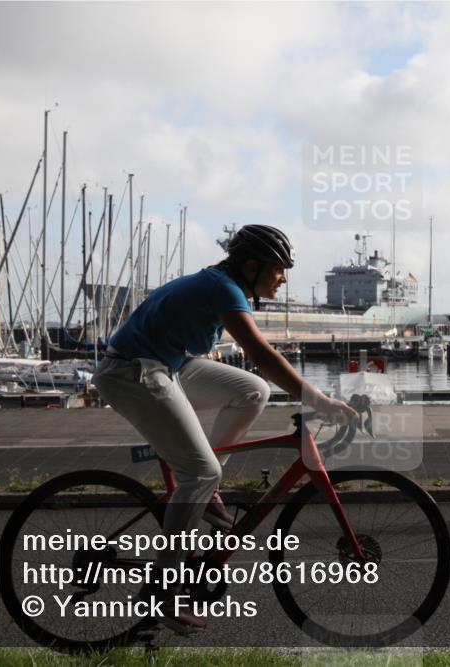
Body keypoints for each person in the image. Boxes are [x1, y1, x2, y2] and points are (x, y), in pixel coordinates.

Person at [92, 224, 357, 633]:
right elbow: (261, 354)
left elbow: (259, 369)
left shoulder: (223, 285)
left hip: (166, 364)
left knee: (252, 390)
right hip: (133, 372)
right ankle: (162, 591)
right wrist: (320, 401)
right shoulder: (225, 290)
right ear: (251, 266)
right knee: (199, 471)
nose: (284, 277)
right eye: (279, 269)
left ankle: (207, 488)